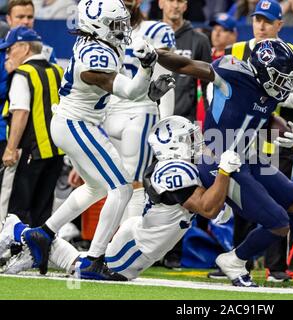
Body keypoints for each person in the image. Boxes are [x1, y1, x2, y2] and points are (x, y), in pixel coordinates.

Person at [156, 38, 293, 288]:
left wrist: (282, 130)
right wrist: (154, 54)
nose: (284, 83)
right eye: (280, 76)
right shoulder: (231, 73)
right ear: (263, 69)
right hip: (217, 160)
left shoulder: (269, 90)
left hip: (247, 158)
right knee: (279, 223)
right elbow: (186, 64)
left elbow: (261, 115)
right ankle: (234, 260)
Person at [19, 0, 173, 281]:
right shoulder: (95, 54)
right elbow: (126, 90)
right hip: (75, 124)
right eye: (116, 24)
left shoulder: (100, 45)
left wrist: (149, 89)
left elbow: (130, 91)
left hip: (79, 123)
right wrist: (147, 68)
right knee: (122, 188)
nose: (122, 29)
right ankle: (93, 259)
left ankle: (44, 233)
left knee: (97, 188)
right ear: (96, 25)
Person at [0, 116, 243, 280]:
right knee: (93, 273)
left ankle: (30, 244)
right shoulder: (175, 171)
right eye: (190, 139)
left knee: (87, 267)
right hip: (138, 244)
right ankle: (19, 231)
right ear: (173, 145)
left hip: (144, 238)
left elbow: (211, 204)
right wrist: (224, 172)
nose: (197, 143)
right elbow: (208, 209)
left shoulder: (179, 167)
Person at [207, 0, 293, 283]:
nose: (261, 25)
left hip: (273, 141)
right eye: (258, 19)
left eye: (268, 21)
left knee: (284, 205)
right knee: (248, 206)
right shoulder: (236, 51)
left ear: (280, 24)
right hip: (234, 144)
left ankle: (276, 267)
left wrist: (276, 100)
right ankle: (235, 260)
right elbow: (214, 87)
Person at [103, 0, 176, 222]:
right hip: (108, 114)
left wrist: (164, 126)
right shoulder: (101, 26)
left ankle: (128, 246)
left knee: (134, 185)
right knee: (114, 186)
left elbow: (165, 79)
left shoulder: (156, 30)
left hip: (138, 113)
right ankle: (112, 248)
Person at [158, 0, 212, 268]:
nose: (175, 5)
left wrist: (209, 128)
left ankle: (173, 252)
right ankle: (147, 248)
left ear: (186, 5)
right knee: (143, 189)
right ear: (160, 3)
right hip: (147, 124)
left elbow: (210, 87)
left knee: (181, 190)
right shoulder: (147, 34)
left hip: (182, 130)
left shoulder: (198, 40)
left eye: (180, 0)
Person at [0, 27, 65, 228]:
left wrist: (10, 149)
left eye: (10, 49)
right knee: (43, 212)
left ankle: (12, 255)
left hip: (29, 153)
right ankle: (39, 257)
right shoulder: (57, 71)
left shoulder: (23, 74)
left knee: (15, 212)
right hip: (55, 152)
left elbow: (21, 112)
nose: (7, 54)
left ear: (25, 48)